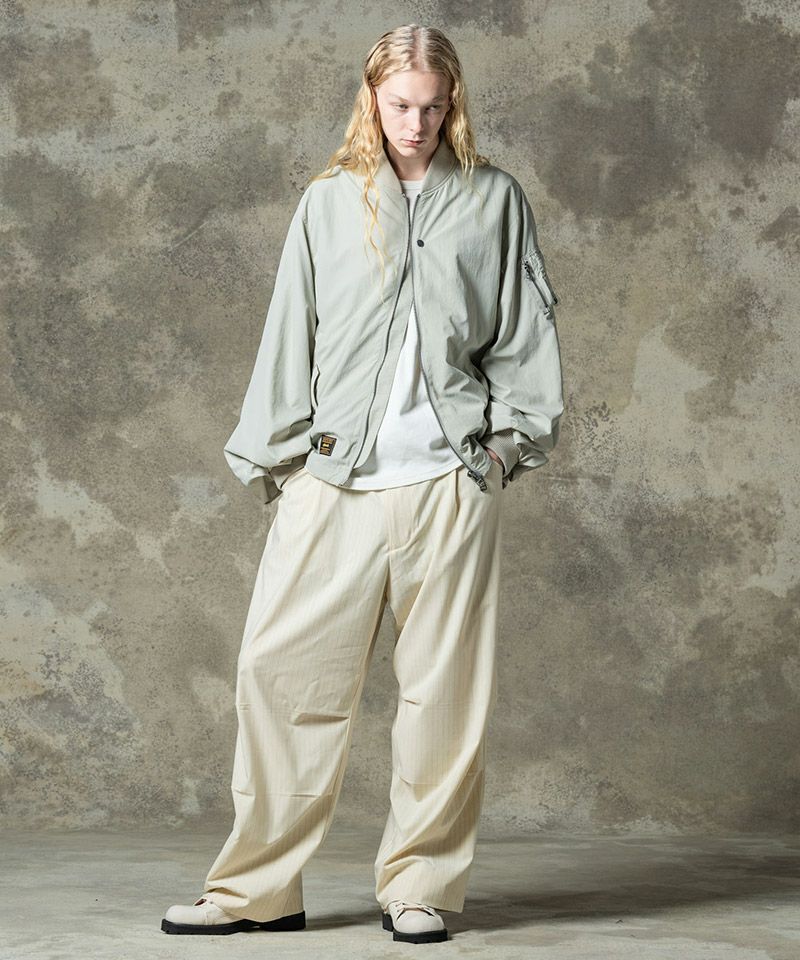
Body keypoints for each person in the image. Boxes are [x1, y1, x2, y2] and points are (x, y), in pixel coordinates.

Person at [161, 22, 563, 945]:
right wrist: (282, 463)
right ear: (371, 99)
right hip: (334, 480)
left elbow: (525, 335)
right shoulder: (329, 202)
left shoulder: (495, 201)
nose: (416, 124)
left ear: (453, 104)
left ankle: (420, 888)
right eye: (400, 105)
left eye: (433, 107)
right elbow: (288, 332)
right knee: (280, 677)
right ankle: (255, 891)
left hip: (453, 483)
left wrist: (504, 452)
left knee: (443, 700)